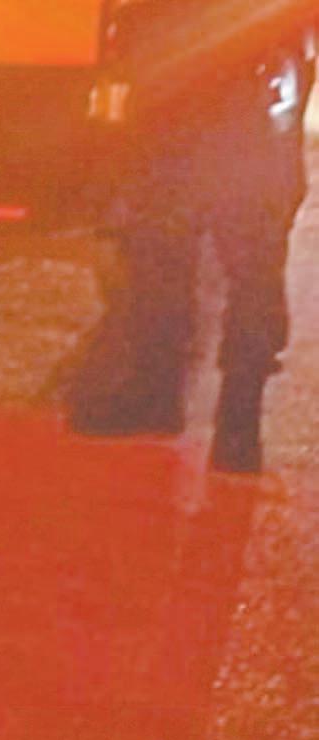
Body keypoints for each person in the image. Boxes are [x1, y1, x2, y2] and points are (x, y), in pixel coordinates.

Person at [68, 28, 314, 473]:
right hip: (197, 99)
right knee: (167, 256)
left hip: (239, 98)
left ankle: (230, 419)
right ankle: (181, 404)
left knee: (243, 266)